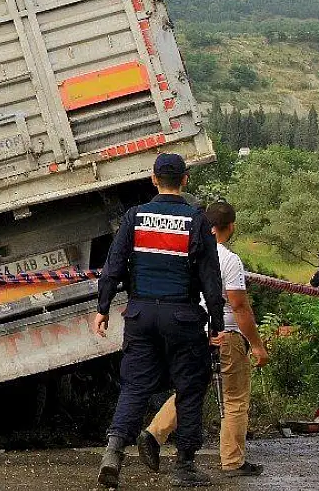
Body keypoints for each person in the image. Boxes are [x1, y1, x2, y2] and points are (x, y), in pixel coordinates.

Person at [93, 153, 225, 488]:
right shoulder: (196, 220)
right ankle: (184, 465)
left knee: (135, 385)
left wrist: (103, 308)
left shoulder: (134, 217)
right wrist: (217, 325)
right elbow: (211, 279)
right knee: (190, 386)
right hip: (181, 316)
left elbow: (113, 267)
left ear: (153, 178)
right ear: (185, 180)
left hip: (140, 315)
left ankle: (114, 451)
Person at [137, 201, 270, 477]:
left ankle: (153, 433)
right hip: (227, 334)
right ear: (231, 226)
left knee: (191, 389)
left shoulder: (188, 253)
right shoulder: (229, 260)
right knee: (234, 398)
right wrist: (256, 344)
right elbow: (239, 306)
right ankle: (233, 461)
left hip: (194, 332)